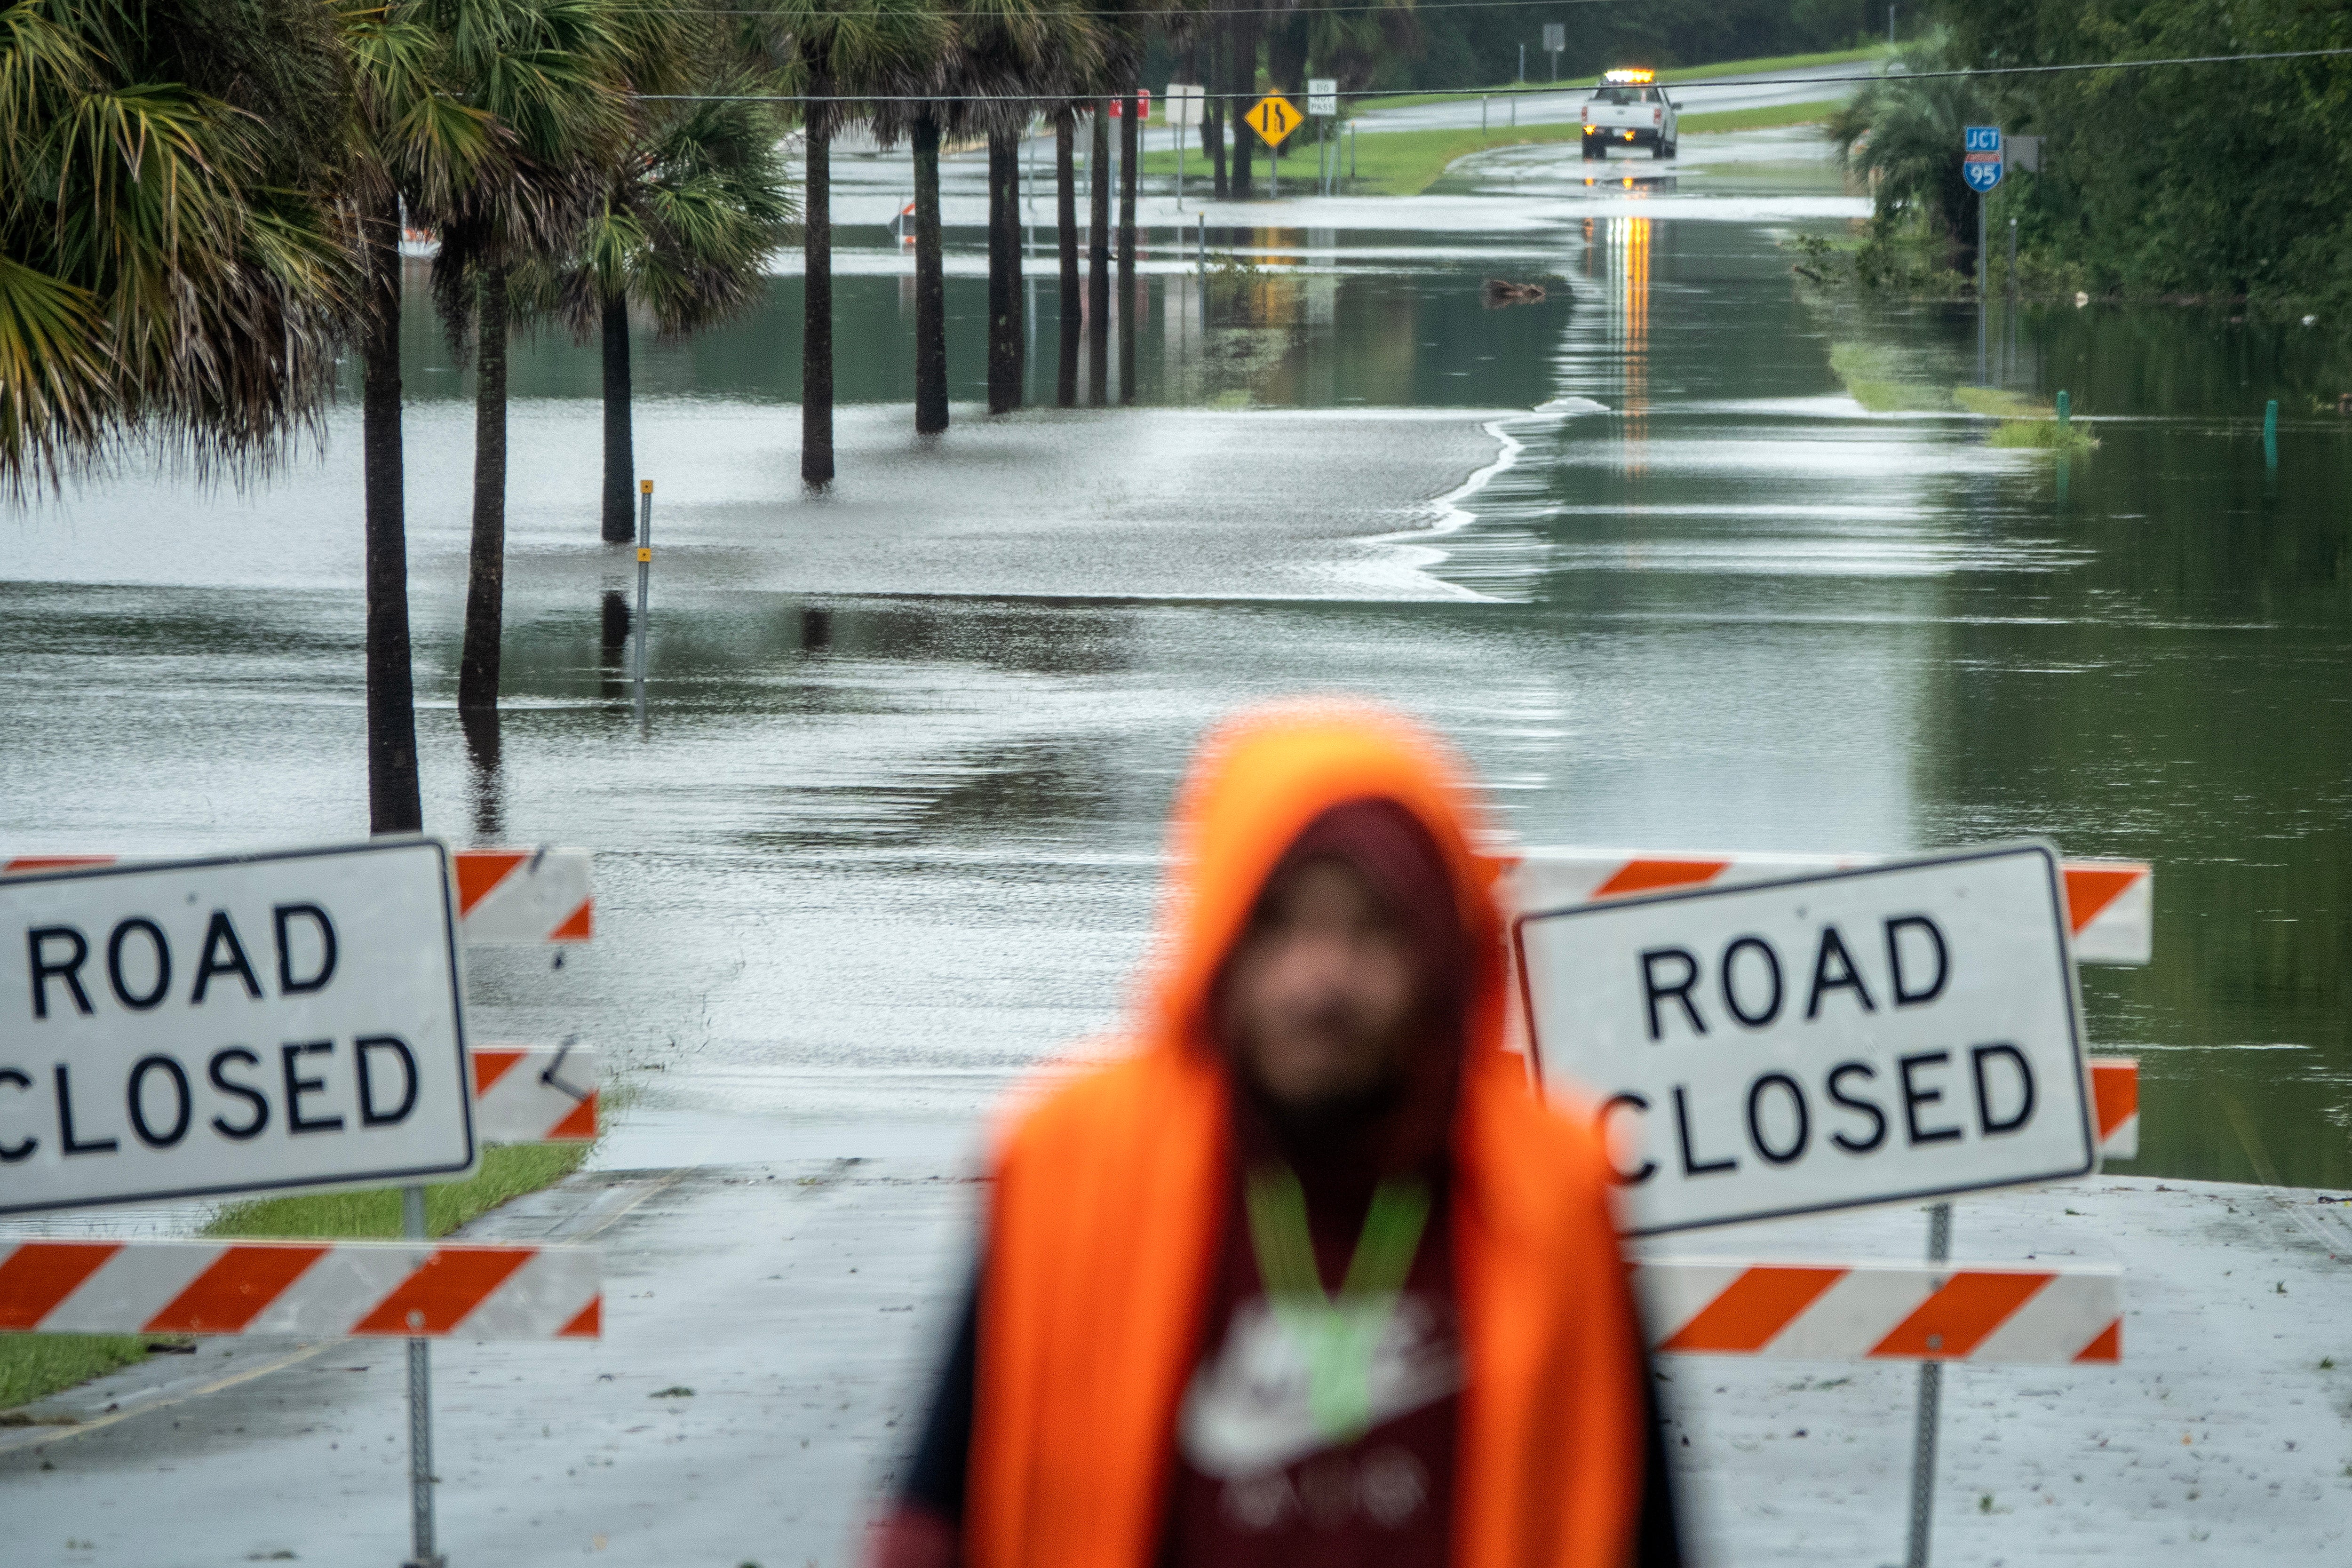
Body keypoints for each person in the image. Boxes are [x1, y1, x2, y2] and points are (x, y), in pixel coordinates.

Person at [870, 701, 1681, 1568]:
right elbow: (928, 1527)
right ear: (1217, 939)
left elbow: (1650, 1535)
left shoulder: (1556, 1191)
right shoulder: (1068, 1168)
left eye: (1373, 929)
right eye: (1279, 925)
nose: (1319, 977)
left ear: (1444, 950)